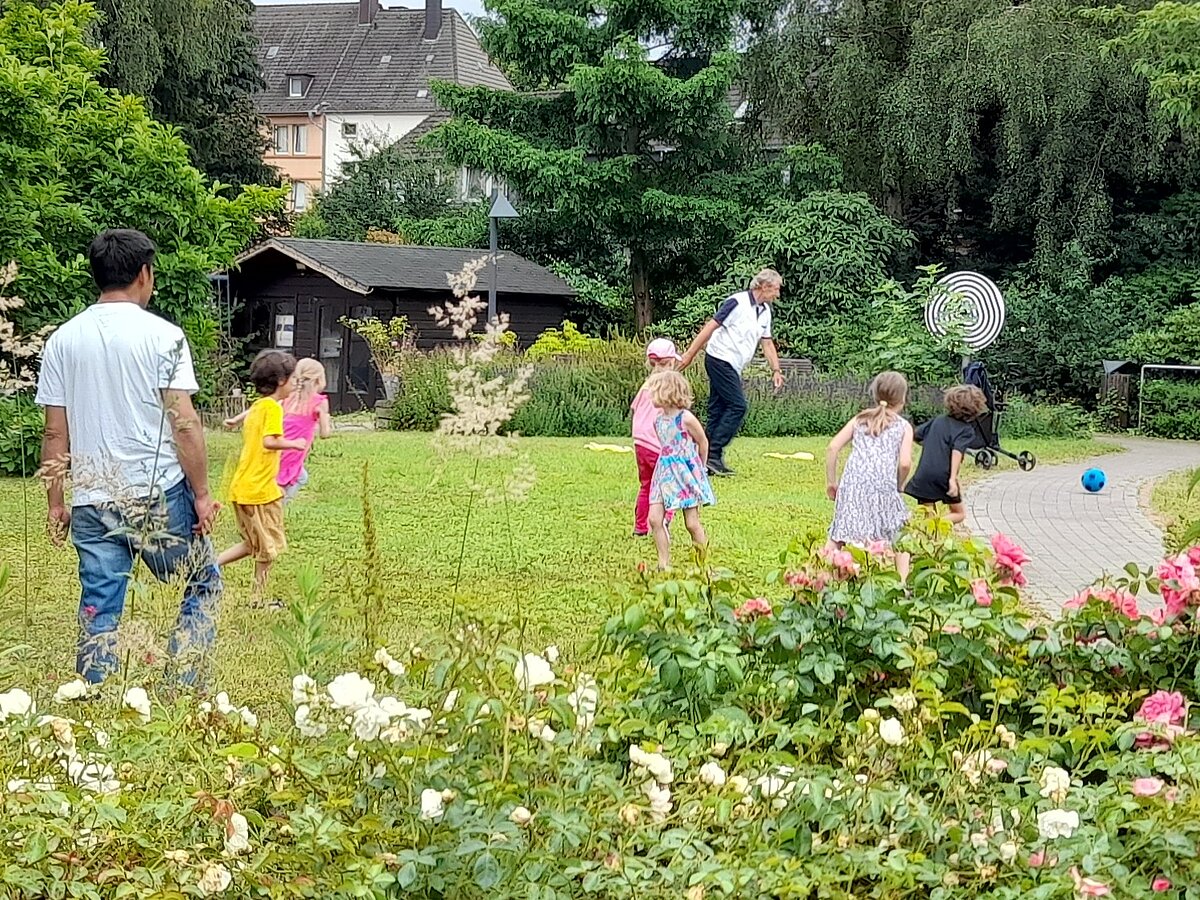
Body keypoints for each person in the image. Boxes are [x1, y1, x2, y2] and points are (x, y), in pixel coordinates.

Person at [35, 229, 222, 685]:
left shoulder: (63, 340)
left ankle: (93, 694)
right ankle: (181, 680)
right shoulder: (164, 336)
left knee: (100, 602)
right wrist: (201, 494)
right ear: (144, 274)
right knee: (202, 582)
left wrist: (55, 502)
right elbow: (184, 422)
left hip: (92, 497)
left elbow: (55, 431)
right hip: (157, 491)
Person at [218, 351, 306, 604]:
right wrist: (295, 444)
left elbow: (251, 413)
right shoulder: (273, 410)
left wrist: (236, 419)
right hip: (258, 490)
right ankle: (255, 598)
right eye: (293, 379)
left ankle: (213, 568)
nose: (295, 384)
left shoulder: (262, 405)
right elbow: (269, 442)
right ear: (281, 381)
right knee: (267, 549)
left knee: (255, 545)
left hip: (245, 487)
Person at [679, 268, 786, 477]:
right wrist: (690, 354)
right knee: (738, 406)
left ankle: (703, 457)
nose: (777, 294)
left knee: (717, 410)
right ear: (763, 286)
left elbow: (767, 342)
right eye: (776, 289)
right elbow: (710, 327)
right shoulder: (736, 302)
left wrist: (776, 370)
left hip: (733, 364)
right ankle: (713, 454)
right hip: (719, 358)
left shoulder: (765, 312)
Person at [825, 372, 915, 578]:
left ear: (874, 394)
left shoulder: (860, 419)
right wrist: (899, 486)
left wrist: (832, 482)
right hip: (883, 484)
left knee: (840, 531)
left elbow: (832, 448)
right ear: (902, 399)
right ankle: (901, 582)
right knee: (900, 532)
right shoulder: (903, 426)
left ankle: (820, 577)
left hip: (853, 483)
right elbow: (905, 463)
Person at [226, 357, 332, 503]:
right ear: (319, 380)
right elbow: (325, 434)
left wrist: (236, 419)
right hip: (293, 451)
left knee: (295, 476)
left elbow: (259, 406)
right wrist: (325, 417)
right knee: (287, 484)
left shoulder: (287, 397)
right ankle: (278, 505)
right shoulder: (319, 402)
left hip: (279, 449)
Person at [647, 370, 715, 571]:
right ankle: (663, 563)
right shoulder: (658, 420)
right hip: (664, 474)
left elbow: (702, 442)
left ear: (667, 392)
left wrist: (700, 469)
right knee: (654, 518)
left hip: (685, 474)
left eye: (655, 391)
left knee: (691, 523)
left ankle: (703, 564)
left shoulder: (686, 418)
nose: (651, 396)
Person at [905, 384, 989, 525]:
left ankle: (929, 532)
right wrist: (952, 479)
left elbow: (916, 435)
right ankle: (938, 525)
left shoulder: (938, 420)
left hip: (924, 474)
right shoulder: (966, 430)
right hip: (944, 475)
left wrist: (932, 445)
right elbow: (957, 451)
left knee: (928, 515)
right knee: (958, 513)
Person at [631, 338, 680, 537]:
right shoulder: (668, 385)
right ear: (670, 363)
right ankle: (665, 520)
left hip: (640, 443)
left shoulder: (646, 385)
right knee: (670, 484)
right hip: (658, 445)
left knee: (646, 485)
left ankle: (640, 527)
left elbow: (635, 409)